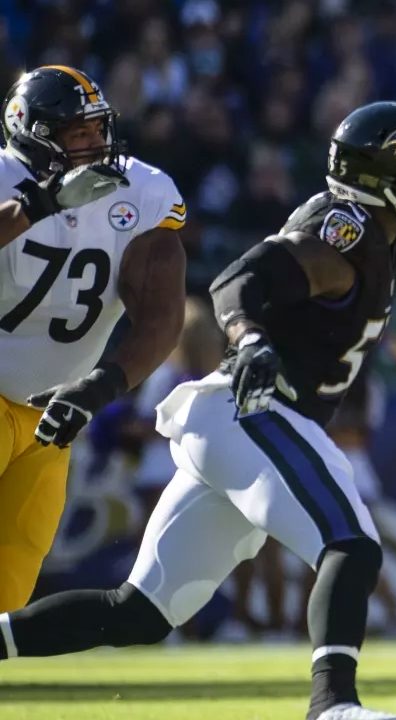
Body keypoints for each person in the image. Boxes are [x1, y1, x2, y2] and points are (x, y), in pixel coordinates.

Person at [0, 101, 396, 720]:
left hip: (239, 426)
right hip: (253, 411)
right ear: (381, 178)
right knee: (350, 545)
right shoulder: (344, 230)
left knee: (138, 612)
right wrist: (249, 337)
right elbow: (237, 282)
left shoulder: (375, 233)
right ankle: (334, 706)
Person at [0, 65, 187, 612]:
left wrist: (100, 387)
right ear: (32, 137)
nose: (93, 145)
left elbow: (161, 319)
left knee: (12, 579)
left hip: (49, 415)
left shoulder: (143, 193)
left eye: (97, 130)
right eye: (75, 134)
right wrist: (39, 205)